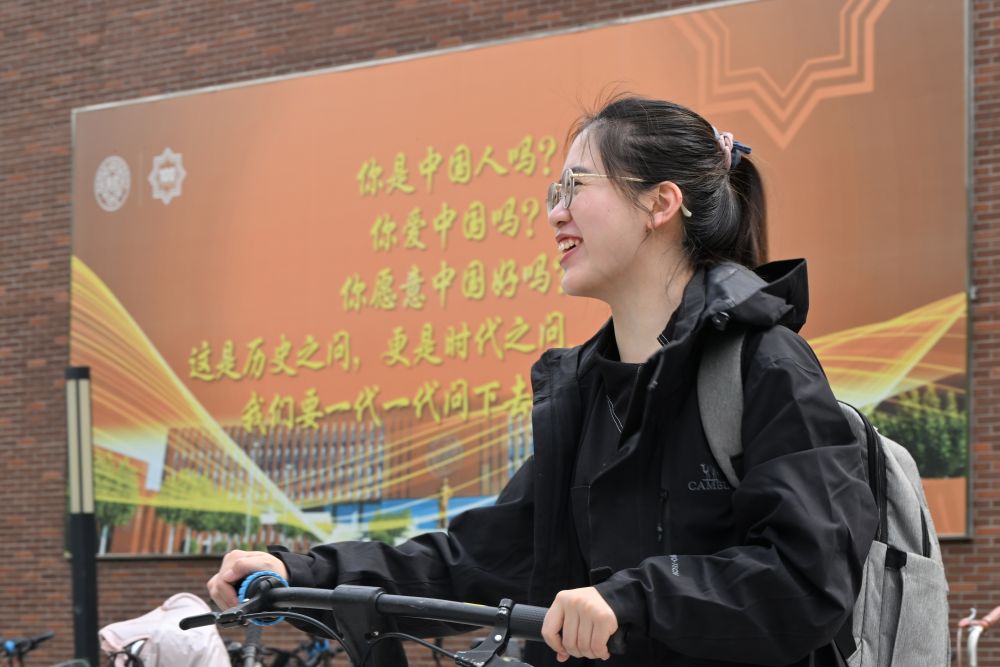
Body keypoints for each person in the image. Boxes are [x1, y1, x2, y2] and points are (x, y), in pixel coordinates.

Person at [208, 96, 877, 666]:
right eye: (554, 194)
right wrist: (302, 573)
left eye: (576, 186)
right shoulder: (586, 394)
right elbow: (479, 559)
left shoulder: (766, 364)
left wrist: (631, 598)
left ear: (660, 203)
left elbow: (809, 578)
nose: (556, 213)